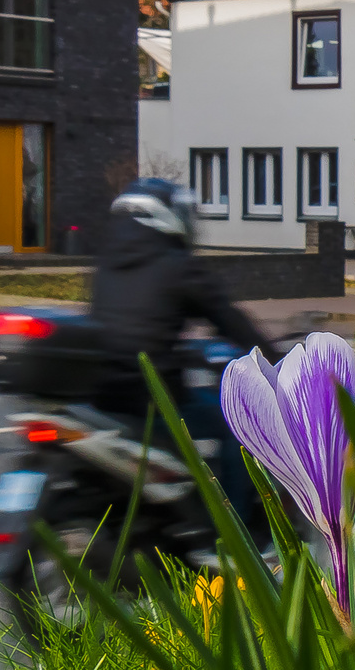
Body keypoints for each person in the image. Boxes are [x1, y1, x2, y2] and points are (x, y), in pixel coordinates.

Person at [92, 178, 275, 522]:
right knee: (236, 428)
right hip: (153, 396)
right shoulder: (176, 264)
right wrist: (272, 359)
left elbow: (133, 322)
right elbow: (227, 318)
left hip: (105, 393)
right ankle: (236, 529)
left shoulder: (107, 264)